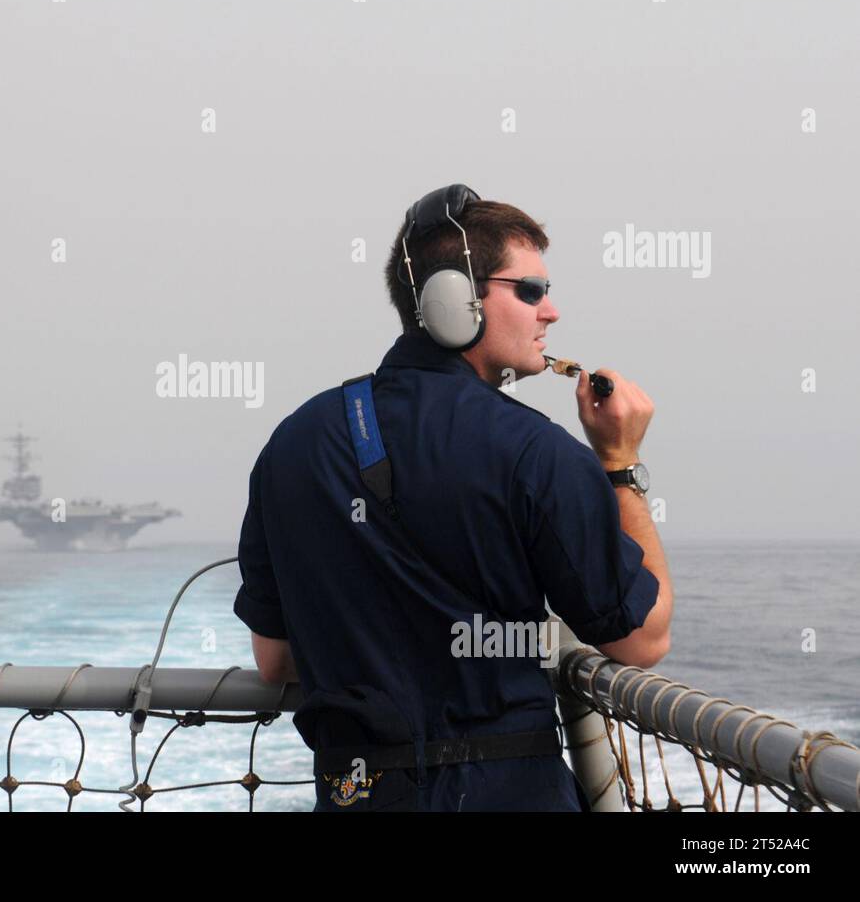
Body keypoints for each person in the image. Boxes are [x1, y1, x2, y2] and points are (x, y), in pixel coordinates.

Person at [232, 184, 673, 811]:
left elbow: (276, 662)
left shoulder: (291, 444)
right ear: (452, 299)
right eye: (530, 290)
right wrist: (621, 464)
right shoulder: (538, 453)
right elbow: (642, 640)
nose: (550, 313)